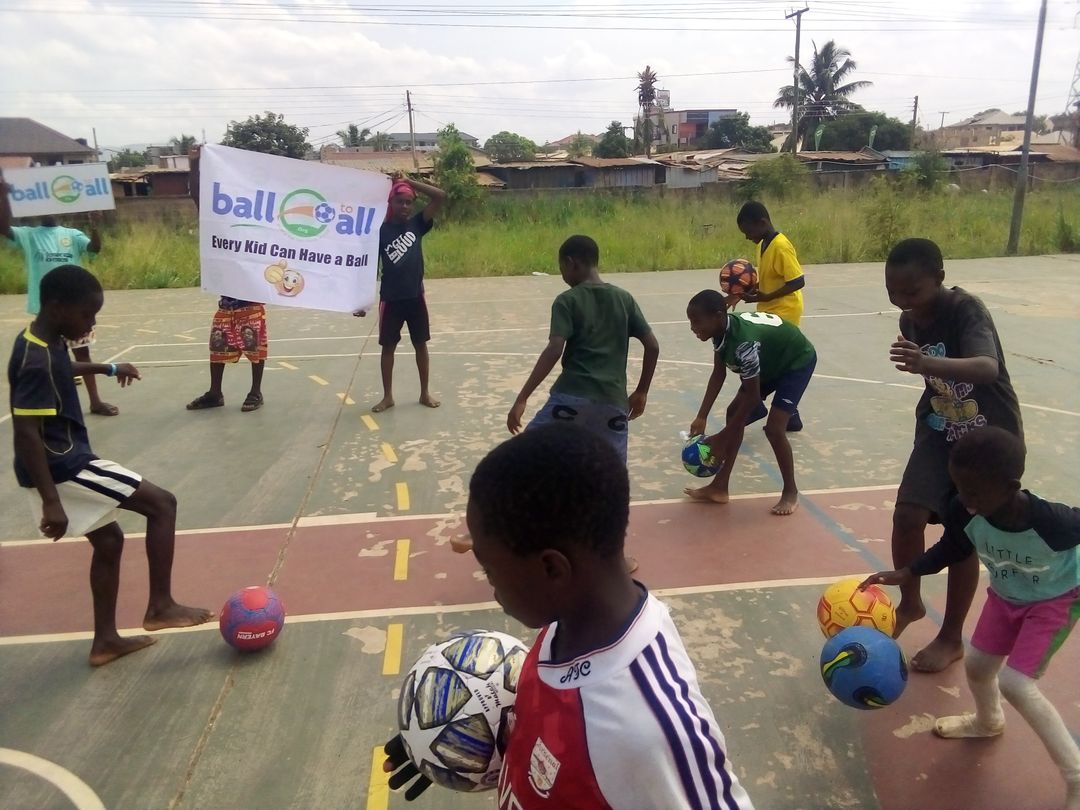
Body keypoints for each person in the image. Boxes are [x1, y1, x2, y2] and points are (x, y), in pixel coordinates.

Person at [384, 424, 755, 809]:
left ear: (552, 569)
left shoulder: (648, 733)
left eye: (490, 570)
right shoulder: (568, 623)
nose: (491, 587)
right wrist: (449, 742)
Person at [861, 427, 1079, 810]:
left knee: (1016, 684)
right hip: (1006, 596)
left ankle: (1075, 774)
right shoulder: (965, 510)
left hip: (1054, 602)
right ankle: (988, 720)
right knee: (977, 665)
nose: (965, 499)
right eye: (960, 488)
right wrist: (908, 571)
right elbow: (952, 546)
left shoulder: (1052, 521)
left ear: (1011, 487)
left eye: (975, 492)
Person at [9, 264, 213, 666]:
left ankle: (105, 642)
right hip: (62, 465)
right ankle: (161, 606)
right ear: (57, 306)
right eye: (87, 314)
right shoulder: (34, 359)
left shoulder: (43, 339)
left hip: (63, 460)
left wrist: (107, 367)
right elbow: (26, 433)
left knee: (109, 541)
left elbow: (61, 369)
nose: (92, 323)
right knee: (162, 504)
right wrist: (51, 501)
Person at [884, 237, 1023, 673]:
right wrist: (923, 365)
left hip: (985, 437)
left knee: (961, 535)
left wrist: (925, 363)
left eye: (912, 291)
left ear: (939, 278)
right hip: (940, 428)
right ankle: (910, 603)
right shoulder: (909, 320)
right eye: (893, 292)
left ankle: (951, 637)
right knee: (907, 515)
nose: (903, 301)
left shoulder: (965, 310)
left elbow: (986, 367)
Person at [507, 234, 659, 466]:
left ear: (571, 263)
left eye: (562, 269)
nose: (563, 276)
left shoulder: (567, 300)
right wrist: (642, 391)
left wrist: (522, 398)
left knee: (523, 455)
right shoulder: (624, 299)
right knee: (612, 471)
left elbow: (554, 349)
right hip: (613, 402)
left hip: (572, 396)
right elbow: (653, 346)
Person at [684, 289, 816, 516]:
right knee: (734, 412)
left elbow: (753, 397)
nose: (692, 327)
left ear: (717, 316)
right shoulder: (720, 331)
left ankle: (790, 491)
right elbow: (718, 374)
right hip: (769, 362)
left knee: (774, 429)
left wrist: (722, 437)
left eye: (697, 322)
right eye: (691, 321)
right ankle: (720, 487)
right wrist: (702, 415)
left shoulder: (744, 344)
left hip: (795, 362)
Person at [0, 177, 118, 417]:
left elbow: (94, 249)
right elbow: (4, 229)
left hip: (75, 309)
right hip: (47, 309)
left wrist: (95, 226)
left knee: (82, 353)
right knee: (49, 356)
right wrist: (4, 197)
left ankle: (95, 401)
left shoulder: (72, 234)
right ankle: (50, 404)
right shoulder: (29, 234)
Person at [184, 146, 266, 412]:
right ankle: (215, 393)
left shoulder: (260, 226)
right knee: (217, 344)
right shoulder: (219, 222)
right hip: (228, 299)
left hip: (251, 297)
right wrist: (194, 165)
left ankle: (255, 391)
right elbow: (197, 196)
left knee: (254, 346)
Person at [355, 175, 446, 413]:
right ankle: (388, 397)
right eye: (399, 201)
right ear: (390, 203)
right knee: (388, 348)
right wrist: (361, 302)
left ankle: (424, 393)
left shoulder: (417, 224)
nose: (404, 206)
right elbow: (369, 269)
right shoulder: (381, 231)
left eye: (408, 202)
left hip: (416, 297)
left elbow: (440, 196)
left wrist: (410, 182)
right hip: (391, 299)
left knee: (420, 345)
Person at [732, 201, 806, 430]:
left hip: (785, 312)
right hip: (768, 311)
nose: (747, 237)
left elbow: (797, 281)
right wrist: (748, 291)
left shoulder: (781, 246)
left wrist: (765, 296)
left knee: (761, 360)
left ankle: (755, 404)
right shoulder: (763, 244)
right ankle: (791, 415)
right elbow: (769, 279)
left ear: (762, 223)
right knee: (769, 361)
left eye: (749, 231)